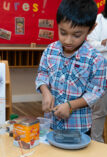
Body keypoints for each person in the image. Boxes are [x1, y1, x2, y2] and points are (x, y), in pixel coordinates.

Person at [35, 0, 107, 134]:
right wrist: (45, 91)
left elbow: (96, 92)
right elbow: (42, 74)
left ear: (91, 29)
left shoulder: (96, 60)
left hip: (78, 128)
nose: (68, 41)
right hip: (51, 123)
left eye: (76, 35)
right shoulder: (50, 50)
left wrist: (71, 106)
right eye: (63, 32)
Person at [87, 2, 107, 142]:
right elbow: (90, 44)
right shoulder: (99, 19)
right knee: (99, 111)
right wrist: (104, 44)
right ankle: (97, 142)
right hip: (102, 74)